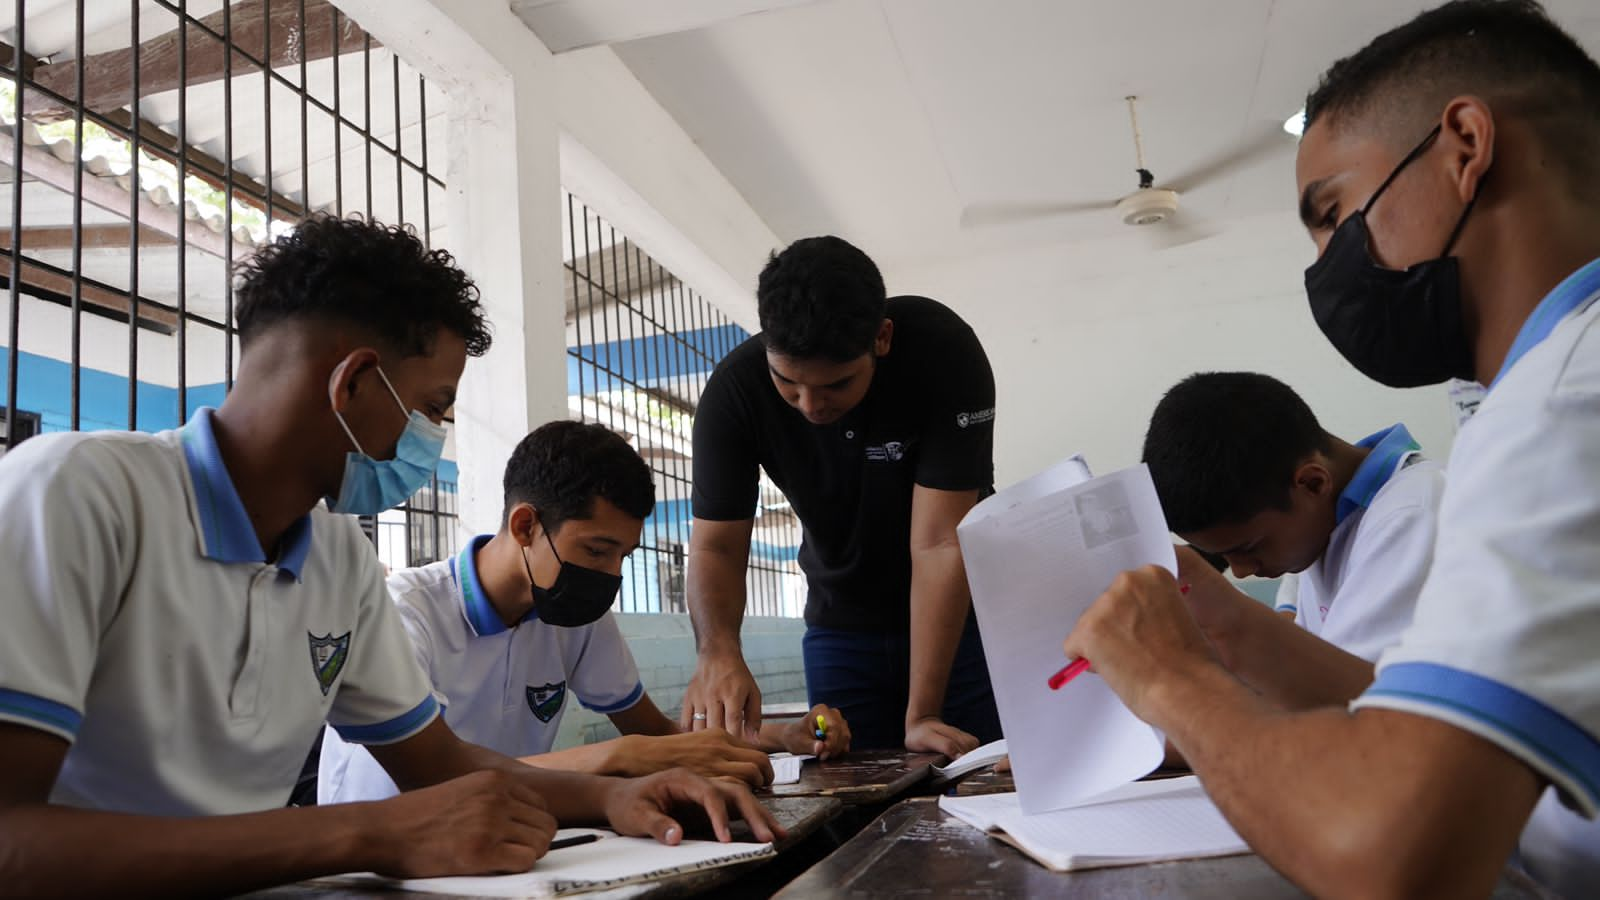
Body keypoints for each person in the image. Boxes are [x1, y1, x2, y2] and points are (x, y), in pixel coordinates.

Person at [0, 216, 779, 898]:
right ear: (354, 382)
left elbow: (437, 764)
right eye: (435, 406)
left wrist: (614, 798)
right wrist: (361, 834)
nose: (431, 438)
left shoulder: (339, 559)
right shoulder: (76, 495)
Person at [1064, 2, 1600, 894]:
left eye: (1334, 213)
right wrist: (1227, 632)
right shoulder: (1545, 390)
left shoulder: (1564, 403)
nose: (1326, 269)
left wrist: (1167, 679)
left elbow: (1391, 853)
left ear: (1465, 144)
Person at [318, 420, 850, 805]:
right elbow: (432, 777)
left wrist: (782, 738)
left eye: (623, 557)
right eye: (596, 551)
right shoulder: (406, 614)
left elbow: (657, 734)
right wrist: (614, 759)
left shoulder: (574, 615)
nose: (610, 576)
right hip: (389, 859)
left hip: (501, 832)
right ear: (525, 526)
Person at [682, 236, 1001, 756]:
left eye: (835, 385)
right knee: (848, 786)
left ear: (881, 338)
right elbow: (716, 547)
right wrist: (718, 652)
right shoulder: (733, 394)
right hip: (841, 627)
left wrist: (923, 714)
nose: (809, 405)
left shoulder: (944, 353)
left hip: (964, 622)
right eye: (787, 382)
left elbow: (940, 543)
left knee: (977, 777)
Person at [1144, 371, 1444, 671]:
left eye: (1247, 548)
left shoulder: (1410, 517)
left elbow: (1356, 702)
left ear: (1312, 483)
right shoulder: (1326, 522)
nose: (1240, 569)